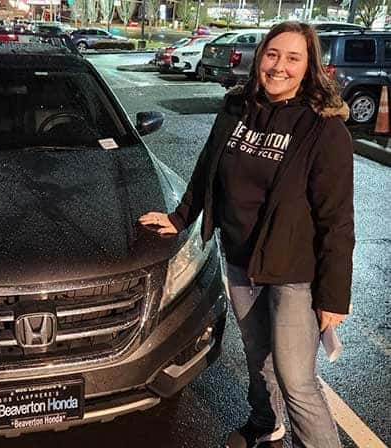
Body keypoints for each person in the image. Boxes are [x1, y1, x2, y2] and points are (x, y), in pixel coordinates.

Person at [139, 22, 354, 448]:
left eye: (293, 58)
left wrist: (333, 296)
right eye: (273, 54)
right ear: (261, 58)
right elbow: (207, 171)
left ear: (310, 66)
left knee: (296, 379)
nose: (279, 66)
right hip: (239, 260)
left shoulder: (323, 130)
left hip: (294, 271)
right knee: (258, 358)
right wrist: (181, 217)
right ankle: (265, 422)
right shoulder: (236, 109)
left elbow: (337, 221)